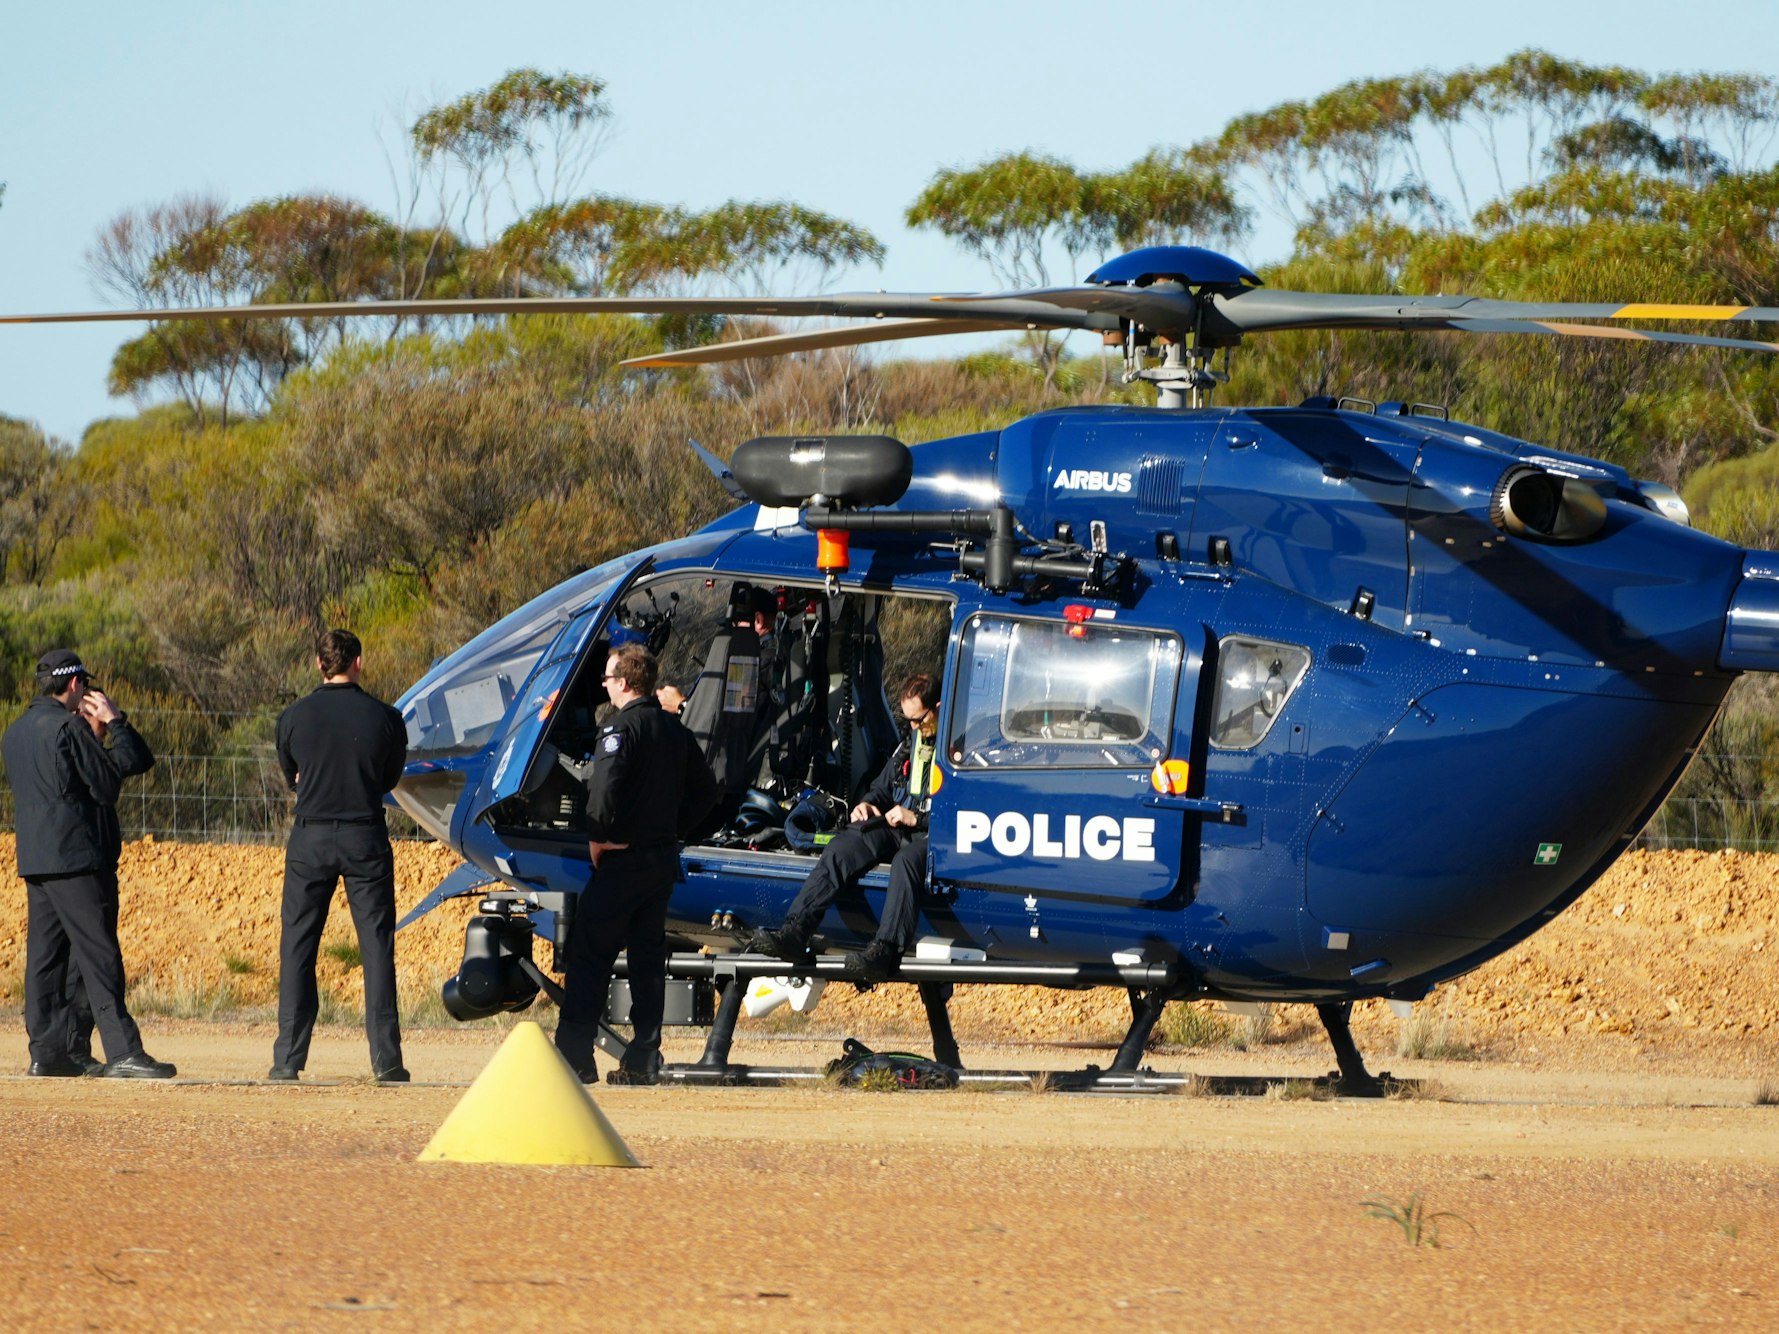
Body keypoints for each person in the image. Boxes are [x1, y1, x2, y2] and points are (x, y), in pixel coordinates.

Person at [554, 644, 719, 1085]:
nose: (605, 685)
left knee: (589, 955)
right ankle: (645, 1053)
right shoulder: (675, 731)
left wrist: (599, 838)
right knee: (648, 961)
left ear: (624, 683)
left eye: (608, 679)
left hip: (622, 860)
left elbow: (603, 792)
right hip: (661, 861)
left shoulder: (618, 730)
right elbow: (707, 792)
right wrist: (671, 829)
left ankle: (574, 1055)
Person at [5, 649, 173, 1078]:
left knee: (45, 959)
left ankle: (47, 1052)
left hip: (36, 857)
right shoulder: (67, 727)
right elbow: (105, 785)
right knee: (98, 956)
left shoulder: (16, 730)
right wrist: (114, 724)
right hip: (75, 857)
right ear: (75, 684)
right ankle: (124, 1051)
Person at [270, 629, 408, 1083]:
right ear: (359, 663)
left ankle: (287, 1060)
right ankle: (386, 1062)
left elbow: (291, 772)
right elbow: (389, 778)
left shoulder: (293, 717)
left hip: (309, 837)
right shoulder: (387, 719)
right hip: (364, 835)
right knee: (376, 947)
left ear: (318, 664)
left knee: (297, 946)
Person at [748, 672, 940, 983]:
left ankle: (885, 951)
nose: (913, 728)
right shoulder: (911, 744)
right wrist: (866, 804)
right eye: (908, 721)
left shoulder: (958, 748)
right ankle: (796, 930)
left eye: (918, 720)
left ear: (938, 707)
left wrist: (918, 819)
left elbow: (966, 813)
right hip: (898, 826)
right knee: (843, 845)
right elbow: (883, 787)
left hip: (934, 834)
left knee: (906, 863)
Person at [61, 679, 157, 1074]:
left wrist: (116, 722)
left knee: (80, 966)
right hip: (82, 868)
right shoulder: (76, 752)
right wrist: (113, 721)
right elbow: (131, 761)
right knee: (97, 960)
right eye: (94, 716)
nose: (99, 725)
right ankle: (115, 1051)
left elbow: (139, 759)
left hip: (98, 865)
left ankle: (73, 1049)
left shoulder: (93, 755)